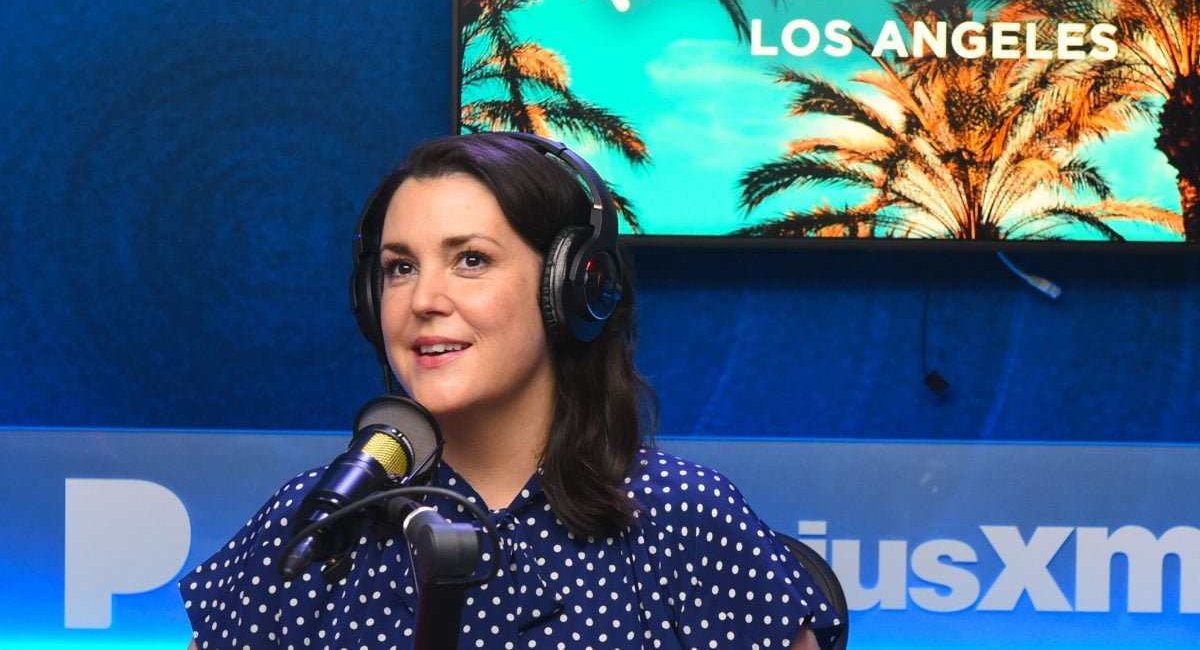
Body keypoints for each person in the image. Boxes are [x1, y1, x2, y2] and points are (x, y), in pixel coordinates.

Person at [180, 133, 845, 649]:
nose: (424, 300)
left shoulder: (683, 514)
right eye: (399, 267)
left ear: (570, 288)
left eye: (471, 259)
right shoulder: (316, 519)